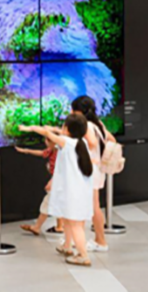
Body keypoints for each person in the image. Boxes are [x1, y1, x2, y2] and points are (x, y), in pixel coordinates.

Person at [20, 114, 95, 266]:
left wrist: (28, 128)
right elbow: (54, 132)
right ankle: (67, 246)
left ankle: (83, 255)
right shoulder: (82, 143)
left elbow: (49, 134)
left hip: (72, 192)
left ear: (67, 129)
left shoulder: (66, 143)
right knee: (69, 219)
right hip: (80, 191)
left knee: (75, 225)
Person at [72, 96, 114, 253]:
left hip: (90, 169)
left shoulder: (87, 126)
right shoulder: (99, 124)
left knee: (92, 206)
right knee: (93, 205)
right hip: (97, 170)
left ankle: (99, 241)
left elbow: (92, 143)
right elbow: (112, 139)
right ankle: (93, 239)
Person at [16, 140, 57, 237]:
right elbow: (42, 153)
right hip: (58, 181)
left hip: (59, 182)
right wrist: (26, 151)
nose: (46, 143)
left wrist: (53, 181)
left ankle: (37, 227)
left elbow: (62, 169)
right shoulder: (52, 150)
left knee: (47, 204)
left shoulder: (61, 153)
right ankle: (59, 227)